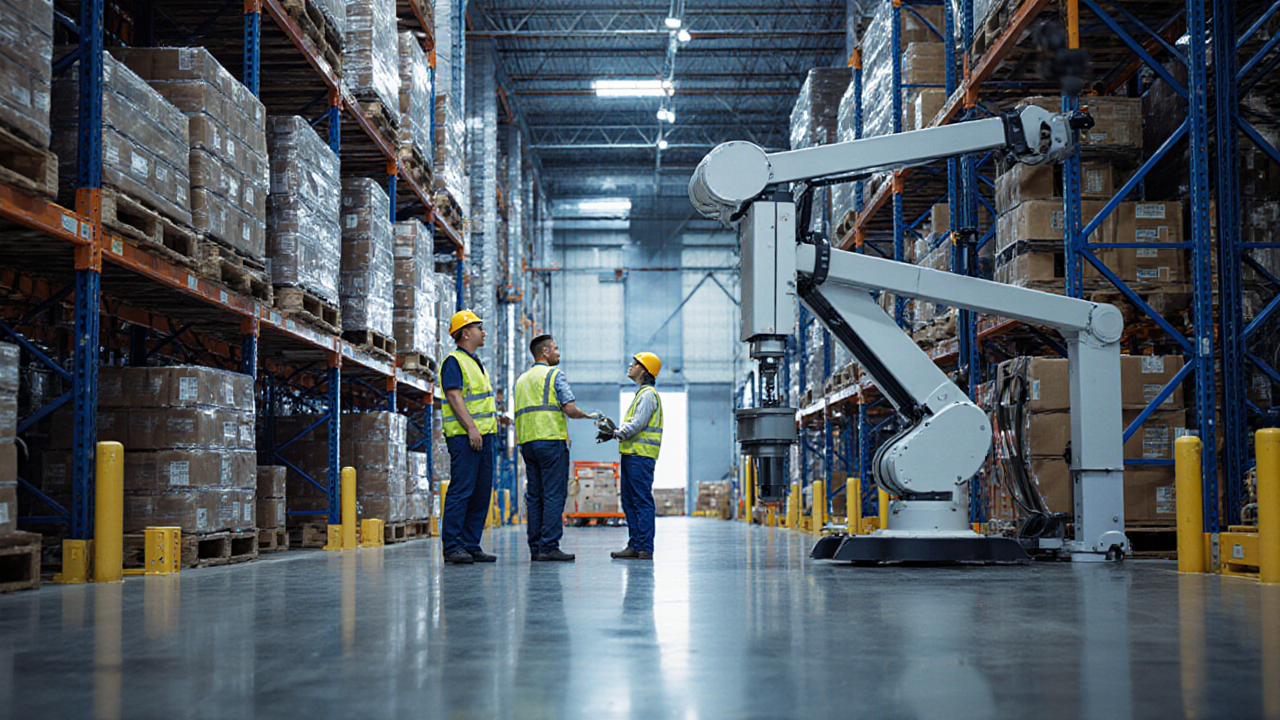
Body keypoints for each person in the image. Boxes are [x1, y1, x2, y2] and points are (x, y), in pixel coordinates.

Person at [514, 334, 599, 562]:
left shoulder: (521, 380)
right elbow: (569, 408)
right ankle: (549, 546)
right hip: (550, 440)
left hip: (527, 443)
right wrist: (589, 416)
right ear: (545, 352)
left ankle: (535, 547)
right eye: (556, 348)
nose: (558, 353)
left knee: (535, 495)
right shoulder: (554, 375)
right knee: (553, 494)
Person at [439, 309, 510, 565]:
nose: (484, 332)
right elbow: (454, 396)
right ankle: (453, 546)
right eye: (480, 328)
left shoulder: (475, 361)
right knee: (462, 490)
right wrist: (471, 428)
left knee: (481, 492)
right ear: (466, 333)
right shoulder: (453, 361)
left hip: (484, 436)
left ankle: (470, 543)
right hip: (465, 436)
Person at [598, 352, 663, 560]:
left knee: (641, 500)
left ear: (644, 370)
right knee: (630, 501)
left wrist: (615, 433)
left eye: (635, 364)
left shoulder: (648, 395)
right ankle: (635, 544)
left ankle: (644, 547)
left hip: (640, 457)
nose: (631, 366)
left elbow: (637, 424)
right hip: (631, 456)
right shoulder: (641, 394)